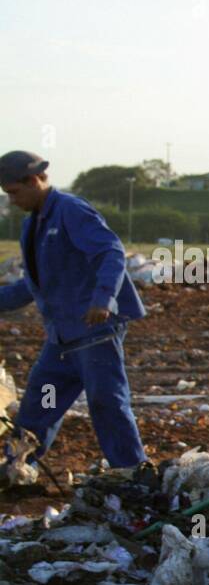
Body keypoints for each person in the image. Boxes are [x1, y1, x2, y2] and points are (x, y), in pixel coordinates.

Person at [0, 151, 147, 468]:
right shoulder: (34, 226)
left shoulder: (70, 211)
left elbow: (110, 252)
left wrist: (103, 299)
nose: (12, 201)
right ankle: (19, 466)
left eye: (14, 192)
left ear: (35, 179)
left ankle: (131, 472)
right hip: (63, 340)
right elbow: (34, 285)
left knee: (106, 401)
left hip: (95, 332)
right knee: (43, 400)